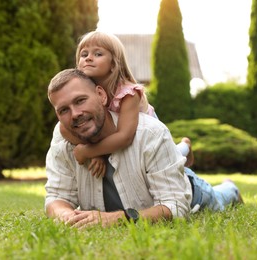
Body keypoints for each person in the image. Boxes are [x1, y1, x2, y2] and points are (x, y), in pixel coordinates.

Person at [45, 68, 243, 229]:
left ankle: (231, 189)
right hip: (163, 167)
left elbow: (175, 205)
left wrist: (117, 219)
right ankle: (184, 150)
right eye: (64, 110)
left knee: (217, 199)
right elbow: (56, 196)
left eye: (80, 101)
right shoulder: (62, 140)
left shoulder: (151, 133)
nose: (75, 114)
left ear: (101, 95)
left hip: (190, 190)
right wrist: (68, 217)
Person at [58, 31, 193, 178]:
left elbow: (124, 137)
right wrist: (93, 151)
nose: (89, 58)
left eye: (98, 54)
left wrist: (89, 152)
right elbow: (64, 129)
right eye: (84, 55)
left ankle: (186, 145)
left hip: (147, 140)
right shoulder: (86, 95)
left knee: (173, 157)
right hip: (117, 142)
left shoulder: (128, 94)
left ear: (114, 63)